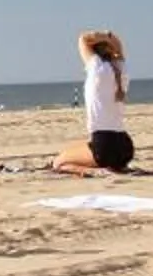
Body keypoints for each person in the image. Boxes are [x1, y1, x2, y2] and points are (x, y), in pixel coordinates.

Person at [52, 32, 134, 175]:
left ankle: (96, 171)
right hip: (125, 148)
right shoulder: (121, 69)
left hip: (104, 147)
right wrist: (108, 35)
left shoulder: (97, 67)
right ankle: (111, 167)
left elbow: (83, 38)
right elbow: (117, 44)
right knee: (74, 151)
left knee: (58, 162)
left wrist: (103, 36)